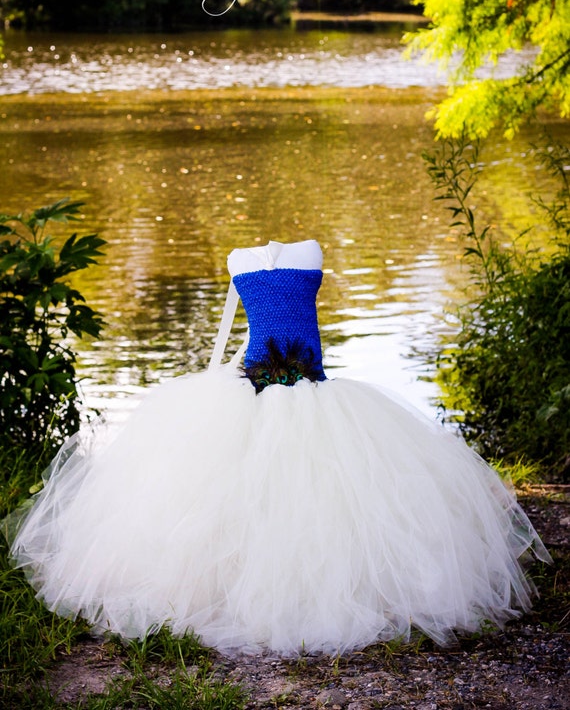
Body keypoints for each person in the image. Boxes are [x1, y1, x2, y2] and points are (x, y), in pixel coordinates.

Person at [6, 239, 550, 656]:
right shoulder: (240, 259)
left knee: (336, 491)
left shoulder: (310, 252)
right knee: (220, 490)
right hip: (250, 388)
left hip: (315, 388)